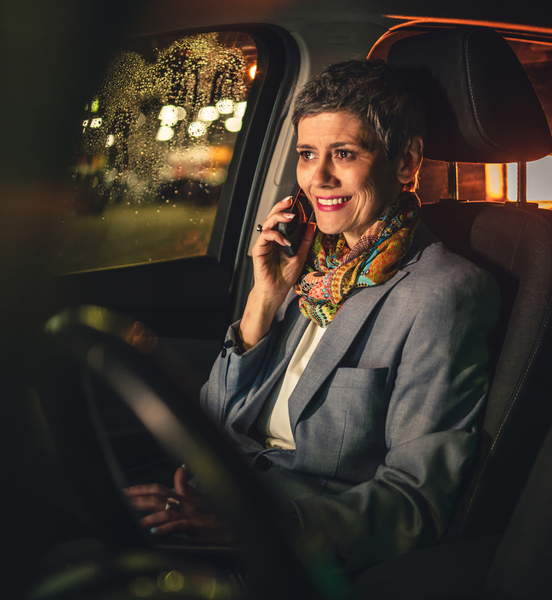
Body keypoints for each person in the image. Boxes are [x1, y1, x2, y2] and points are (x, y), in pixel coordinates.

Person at [124, 59, 500, 571]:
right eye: (306, 155)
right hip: (219, 500)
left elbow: (414, 501)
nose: (318, 177)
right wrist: (264, 299)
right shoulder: (311, 265)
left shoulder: (443, 293)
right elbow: (216, 421)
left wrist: (251, 528)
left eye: (343, 153)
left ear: (407, 162)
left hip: (296, 548)